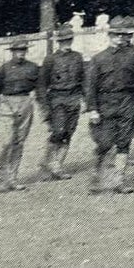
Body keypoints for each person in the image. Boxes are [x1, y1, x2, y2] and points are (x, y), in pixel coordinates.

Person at [84, 17, 134, 194]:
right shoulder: (98, 59)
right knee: (104, 143)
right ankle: (96, 177)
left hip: (127, 102)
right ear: (109, 36)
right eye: (116, 35)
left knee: (124, 142)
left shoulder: (132, 56)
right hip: (105, 104)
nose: (120, 39)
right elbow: (91, 87)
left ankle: (119, 181)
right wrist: (93, 109)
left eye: (122, 35)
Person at [0, 39, 42, 191]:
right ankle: (0, 178)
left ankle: (12, 178)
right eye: (18, 51)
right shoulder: (2, 70)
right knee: (6, 142)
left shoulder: (32, 68)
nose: (21, 53)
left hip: (25, 103)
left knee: (19, 142)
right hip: (7, 104)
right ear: (12, 52)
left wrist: (41, 106)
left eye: (23, 50)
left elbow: (38, 88)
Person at [38, 28, 85, 180]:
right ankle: (47, 161)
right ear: (58, 42)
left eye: (69, 40)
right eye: (64, 41)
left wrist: (85, 100)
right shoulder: (50, 59)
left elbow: (83, 80)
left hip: (74, 97)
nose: (67, 43)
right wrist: (44, 107)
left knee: (69, 132)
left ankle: (57, 164)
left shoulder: (77, 57)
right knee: (58, 131)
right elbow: (42, 85)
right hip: (57, 98)